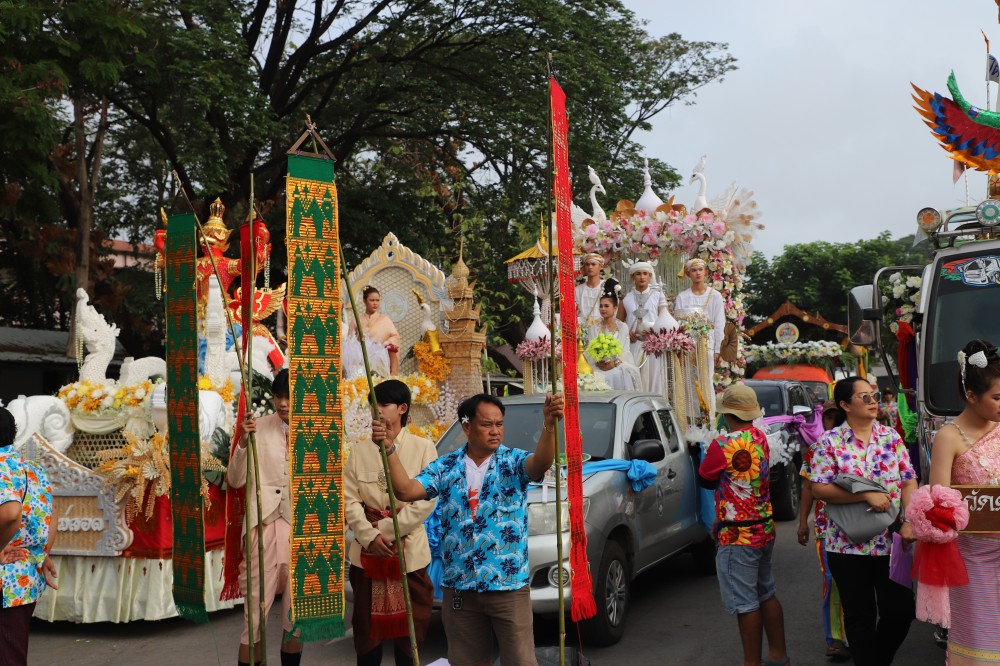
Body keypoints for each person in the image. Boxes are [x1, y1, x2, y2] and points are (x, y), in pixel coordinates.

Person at [373, 392, 564, 666]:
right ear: (466, 426)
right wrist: (389, 449)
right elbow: (405, 490)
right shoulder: (445, 466)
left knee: (521, 661)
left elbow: (541, 463)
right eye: (487, 424)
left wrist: (549, 424)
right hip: (460, 588)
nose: (495, 431)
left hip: (508, 586)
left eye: (499, 424)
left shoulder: (512, 462)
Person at [805, 377, 917, 666]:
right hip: (846, 544)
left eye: (874, 396)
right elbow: (819, 489)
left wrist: (909, 520)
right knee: (859, 615)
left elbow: (908, 480)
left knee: (900, 612)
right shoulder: (829, 442)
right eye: (864, 397)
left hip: (890, 541)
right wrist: (865, 494)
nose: (873, 402)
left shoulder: (891, 437)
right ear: (845, 405)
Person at [345, 380, 437, 666]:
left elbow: (427, 500)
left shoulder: (424, 448)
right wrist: (369, 537)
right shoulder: (359, 451)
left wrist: (385, 531)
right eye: (374, 405)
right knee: (366, 632)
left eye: (384, 405)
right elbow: (349, 501)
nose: (378, 411)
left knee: (411, 634)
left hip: (410, 553)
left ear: (402, 409)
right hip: (367, 554)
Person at [698, 384, 789, 666]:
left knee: (746, 602)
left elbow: (705, 478)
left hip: (738, 534)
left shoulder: (722, 445)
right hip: (764, 526)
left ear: (726, 414)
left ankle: (751, 662)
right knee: (766, 593)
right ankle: (778, 655)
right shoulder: (760, 437)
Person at [927, 339, 1000, 664]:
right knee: (981, 644)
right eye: (997, 398)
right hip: (974, 558)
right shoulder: (949, 437)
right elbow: (938, 501)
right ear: (971, 396)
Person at [227, 369, 302, 666]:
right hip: (263, 528)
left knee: (296, 618)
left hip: (300, 531)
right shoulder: (255, 428)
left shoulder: (316, 432)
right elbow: (234, 480)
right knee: (255, 619)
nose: (282, 403)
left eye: (289, 397)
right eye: (278, 396)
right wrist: (243, 442)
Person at [0, 407, 57, 666]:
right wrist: (41, 554)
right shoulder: (31, 468)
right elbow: (52, 513)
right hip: (24, 577)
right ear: (14, 433)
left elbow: (11, 513)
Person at [797, 402, 849, 662]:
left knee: (857, 582)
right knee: (832, 579)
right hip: (826, 527)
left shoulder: (863, 444)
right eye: (827, 416)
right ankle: (836, 639)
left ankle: (857, 633)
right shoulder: (817, 449)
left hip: (861, 526)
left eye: (835, 415)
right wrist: (802, 522)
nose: (832, 421)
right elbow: (808, 487)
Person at [622, 261, 676, 393]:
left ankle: (655, 404)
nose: (642, 277)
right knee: (634, 379)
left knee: (654, 379)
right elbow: (618, 323)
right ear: (632, 276)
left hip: (653, 346)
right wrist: (627, 332)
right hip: (633, 345)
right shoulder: (626, 298)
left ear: (650, 275)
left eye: (645, 273)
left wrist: (656, 333)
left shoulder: (658, 296)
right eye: (638, 274)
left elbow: (666, 320)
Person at [674, 258, 726, 371]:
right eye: (694, 270)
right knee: (689, 378)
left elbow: (719, 324)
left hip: (708, 344)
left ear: (705, 271)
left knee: (707, 378)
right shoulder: (682, 297)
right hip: (688, 346)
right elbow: (678, 325)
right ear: (688, 274)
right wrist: (679, 348)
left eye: (700, 269)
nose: (698, 273)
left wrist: (718, 350)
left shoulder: (715, 296)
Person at [586, 291, 640, 391]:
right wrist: (599, 362)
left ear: (615, 308)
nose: (603, 309)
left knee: (618, 374)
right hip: (598, 365)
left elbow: (625, 351)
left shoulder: (622, 327)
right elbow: (590, 350)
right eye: (601, 306)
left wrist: (614, 363)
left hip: (617, 364)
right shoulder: (594, 328)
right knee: (592, 375)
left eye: (606, 306)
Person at [344, 286, 401, 377]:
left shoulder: (385, 319)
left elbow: (395, 337)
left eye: (377, 300)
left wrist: (387, 342)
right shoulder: (356, 320)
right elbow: (349, 342)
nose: (375, 303)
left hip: (380, 361)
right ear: (364, 301)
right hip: (361, 361)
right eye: (372, 300)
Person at [576, 253, 622, 331]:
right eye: (587, 264)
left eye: (593, 264)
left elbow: (615, 308)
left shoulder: (608, 285)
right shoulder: (578, 290)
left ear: (601, 266)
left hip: (604, 328)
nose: (590, 267)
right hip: (583, 330)